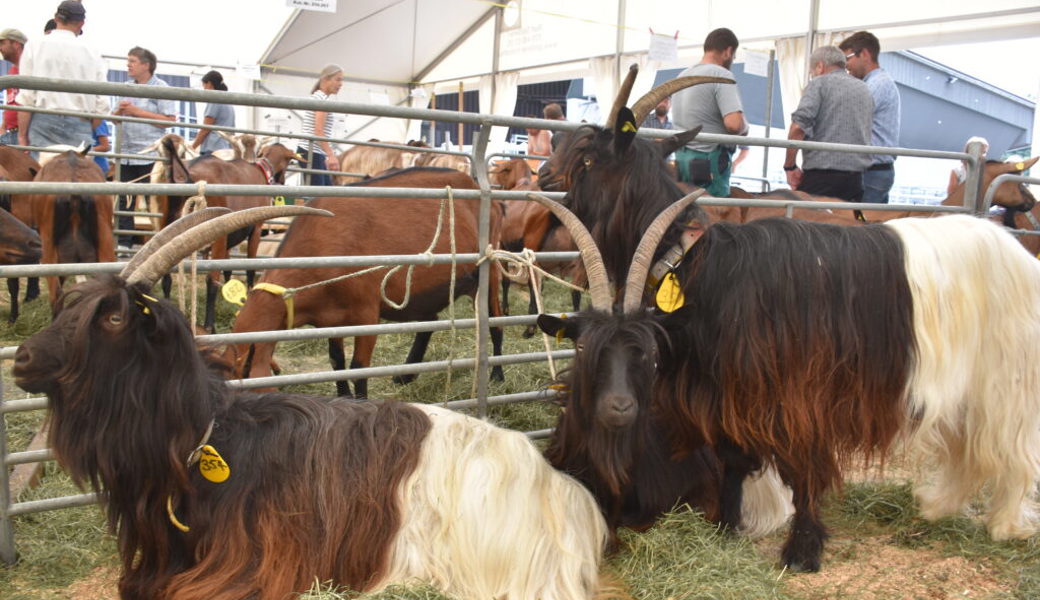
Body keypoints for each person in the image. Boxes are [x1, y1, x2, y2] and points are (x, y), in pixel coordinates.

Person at [16, 1, 108, 157]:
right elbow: (102, 103)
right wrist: (87, 125)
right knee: (79, 176)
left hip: (43, 121)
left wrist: (22, 135)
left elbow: (27, 97)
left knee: (43, 176)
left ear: (56, 18)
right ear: (81, 23)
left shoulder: (34, 46)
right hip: (80, 122)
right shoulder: (93, 52)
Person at [783, 46, 873, 202]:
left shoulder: (819, 84)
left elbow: (798, 127)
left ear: (820, 66)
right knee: (852, 223)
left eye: (812, 72)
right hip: (856, 181)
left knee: (811, 224)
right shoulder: (864, 89)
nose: (813, 75)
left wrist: (789, 166)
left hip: (821, 179)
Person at [671, 27, 749, 197]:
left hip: (682, 160)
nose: (732, 60)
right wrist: (745, 128)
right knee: (713, 216)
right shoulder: (721, 75)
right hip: (709, 164)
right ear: (728, 51)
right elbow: (734, 125)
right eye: (734, 56)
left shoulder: (682, 76)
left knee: (685, 215)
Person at [112, 46, 177, 247]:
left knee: (154, 201)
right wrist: (119, 113)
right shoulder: (126, 87)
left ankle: (160, 243)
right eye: (128, 61)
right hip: (126, 153)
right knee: (124, 200)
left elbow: (169, 120)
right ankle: (124, 243)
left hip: (150, 154)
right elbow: (113, 119)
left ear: (146, 65)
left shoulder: (161, 88)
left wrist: (136, 111)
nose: (128, 65)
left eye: (132, 61)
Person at [839, 31, 901, 204]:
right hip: (871, 172)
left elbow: (848, 119)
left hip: (872, 173)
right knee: (861, 222)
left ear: (864, 54)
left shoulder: (878, 84)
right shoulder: (873, 84)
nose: (846, 66)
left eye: (847, 58)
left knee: (862, 223)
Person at [298, 64, 343, 186]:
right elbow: (318, 130)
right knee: (319, 196)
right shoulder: (321, 99)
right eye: (338, 79)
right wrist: (331, 155)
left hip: (313, 151)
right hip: (311, 151)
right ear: (325, 79)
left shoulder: (319, 97)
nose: (341, 84)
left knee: (325, 194)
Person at [191, 70, 235, 155]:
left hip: (213, 148)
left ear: (209, 83)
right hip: (227, 148)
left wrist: (192, 147)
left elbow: (205, 129)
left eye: (204, 85)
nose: (204, 89)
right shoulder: (228, 101)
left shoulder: (214, 100)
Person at [0, 28, 27, 146]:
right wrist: (3, 127)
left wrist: (22, 135)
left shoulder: (29, 70)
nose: (0, 48)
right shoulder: (12, 70)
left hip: (23, 135)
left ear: (16, 44)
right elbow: (11, 102)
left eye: (2, 43)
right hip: (11, 133)